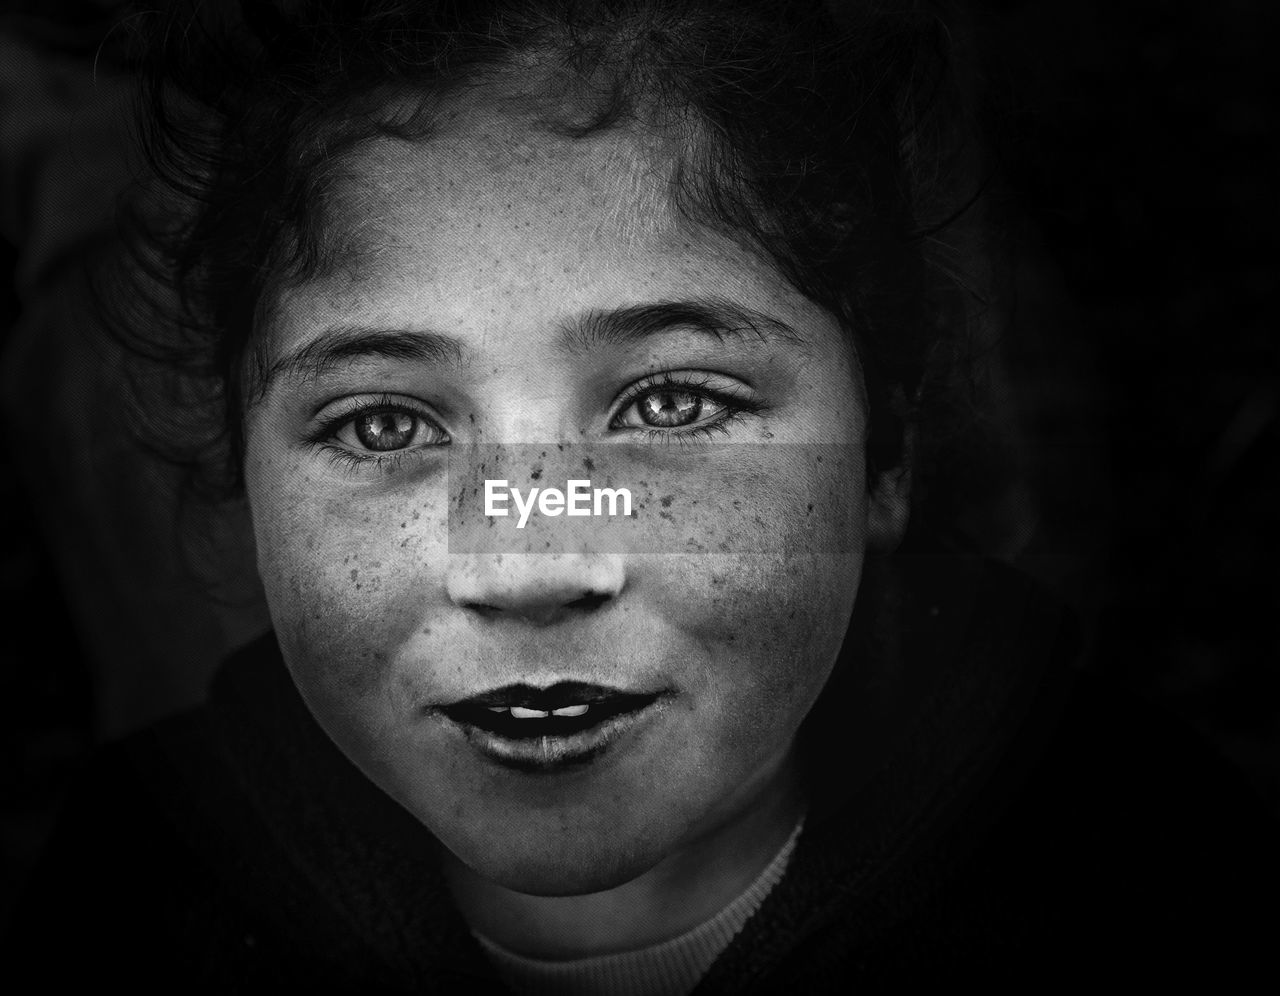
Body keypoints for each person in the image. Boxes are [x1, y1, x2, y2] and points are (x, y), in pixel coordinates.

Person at [7, 0, 1277, 991]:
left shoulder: (1156, 883)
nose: (530, 562)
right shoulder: (126, 896)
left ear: (882, 457)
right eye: (384, 422)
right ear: (242, 488)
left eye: (670, 405)